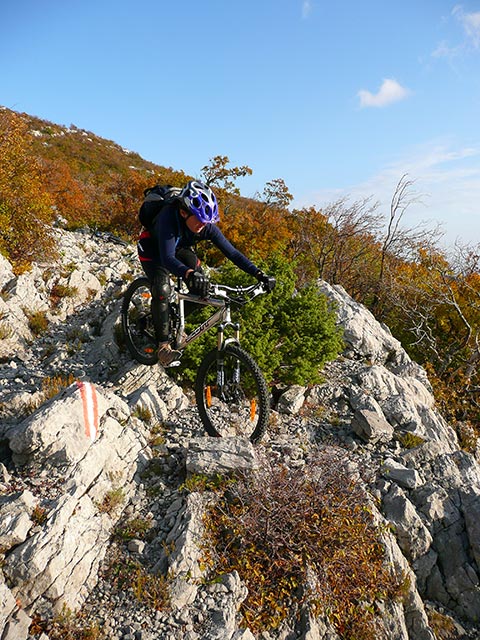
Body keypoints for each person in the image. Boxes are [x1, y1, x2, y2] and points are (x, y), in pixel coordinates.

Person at [137, 180, 275, 366]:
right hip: (153, 248)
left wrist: (259, 274)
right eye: (200, 220)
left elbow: (232, 253)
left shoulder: (204, 225)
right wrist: (188, 273)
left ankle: (168, 317)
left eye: (206, 221)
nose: (203, 225)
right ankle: (163, 346)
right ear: (184, 212)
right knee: (162, 289)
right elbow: (167, 258)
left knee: (203, 291)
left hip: (179, 247)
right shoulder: (167, 218)